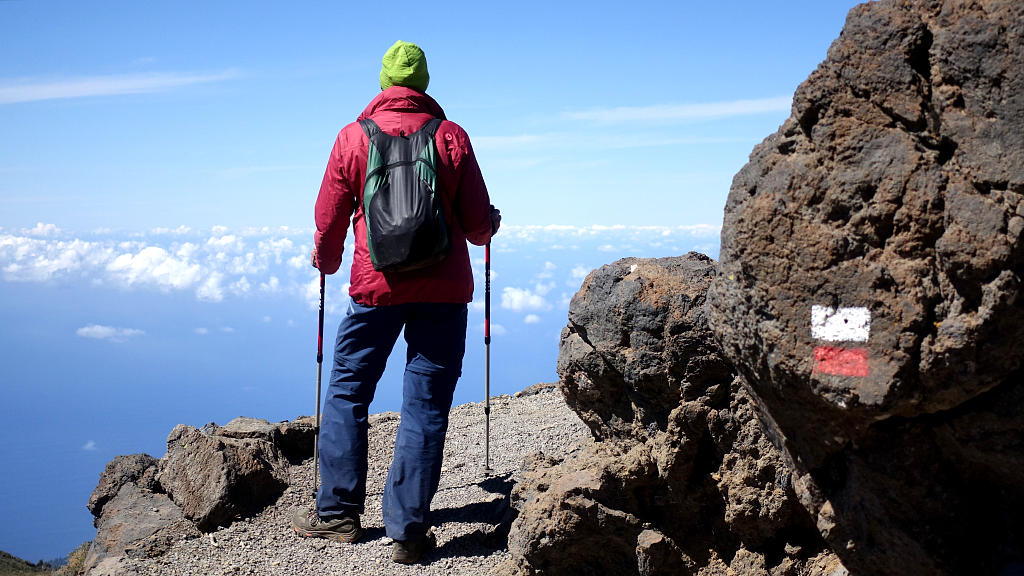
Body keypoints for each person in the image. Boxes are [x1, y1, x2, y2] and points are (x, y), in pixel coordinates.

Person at [291, 40, 500, 565]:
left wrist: (326, 261)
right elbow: (477, 228)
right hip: (443, 291)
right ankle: (407, 531)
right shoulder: (452, 137)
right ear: (424, 83)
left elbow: (329, 219)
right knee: (425, 404)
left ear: (384, 83)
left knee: (347, 392)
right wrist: (492, 222)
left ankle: (338, 514)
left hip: (374, 288)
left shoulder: (352, 138)